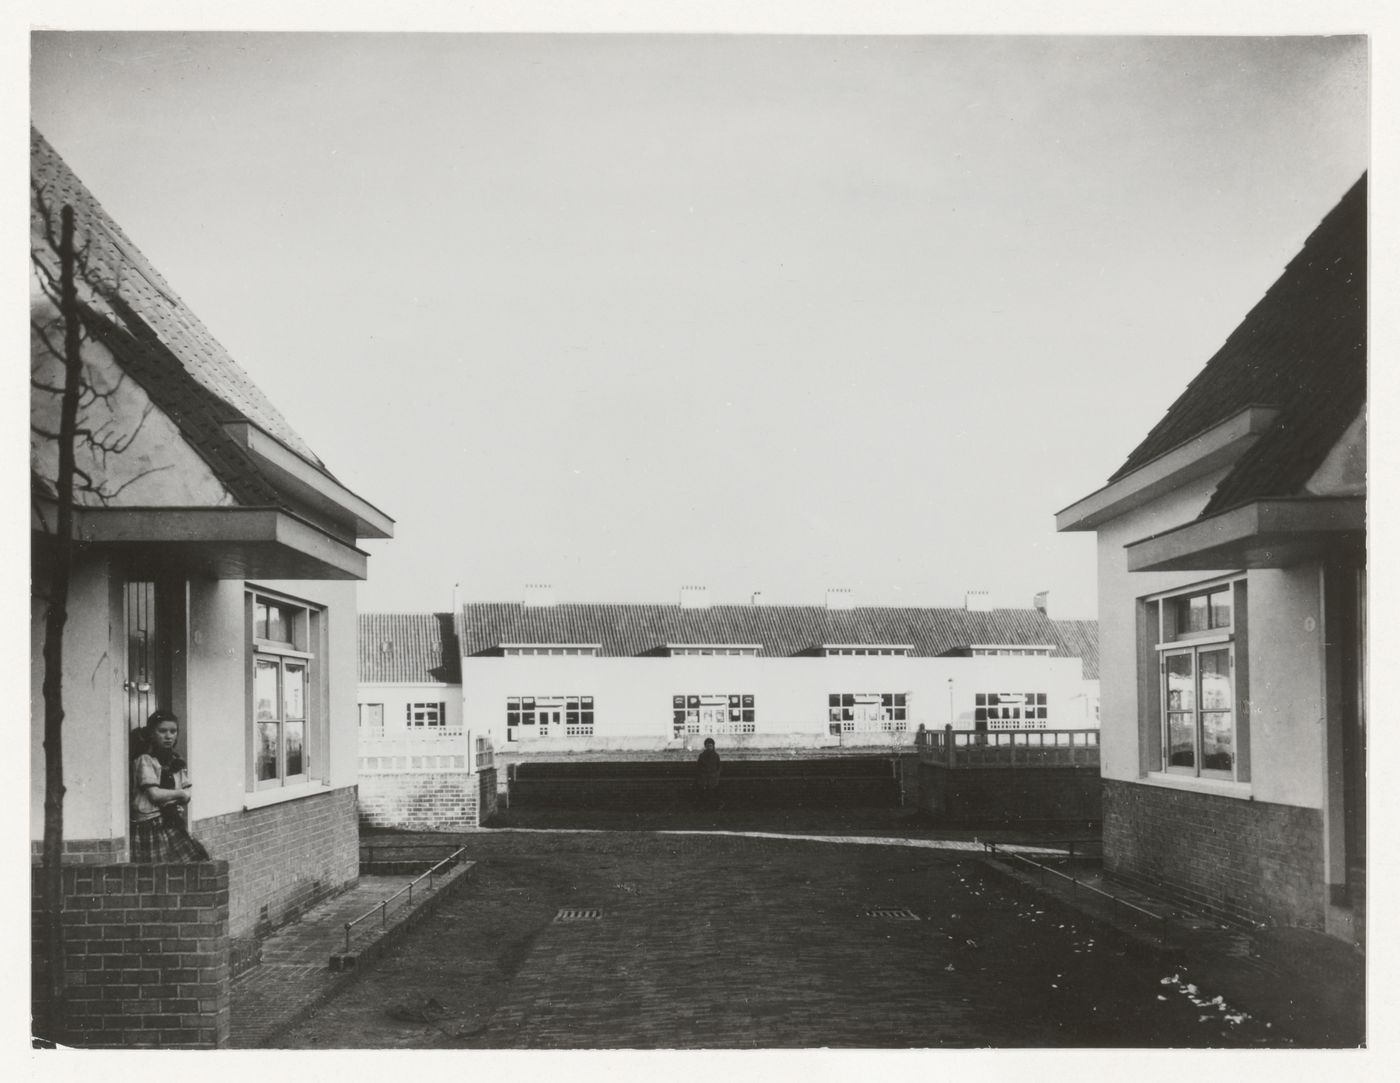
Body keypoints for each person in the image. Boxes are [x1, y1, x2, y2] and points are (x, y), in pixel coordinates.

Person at [131, 709, 209, 862]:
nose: (168, 736)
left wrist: (183, 795)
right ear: (152, 734)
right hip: (150, 824)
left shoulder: (175, 760)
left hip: (171, 820)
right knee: (158, 871)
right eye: (162, 731)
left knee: (194, 862)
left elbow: (187, 793)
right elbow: (154, 794)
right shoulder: (146, 759)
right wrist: (180, 794)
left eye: (173, 731)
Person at [696, 737, 722, 806]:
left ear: (713, 746)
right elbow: (698, 767)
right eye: (707, 746)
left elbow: (719, 767)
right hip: (704, 777)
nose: (709, 747)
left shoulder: (716, 756)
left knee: (713, 790)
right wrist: (702, 774)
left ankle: (712, 805)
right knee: (704, 790)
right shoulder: (701, 756)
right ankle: (705, 805)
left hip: (713, 777)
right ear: (705, 746)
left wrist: (716, 774)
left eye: (710, 746)